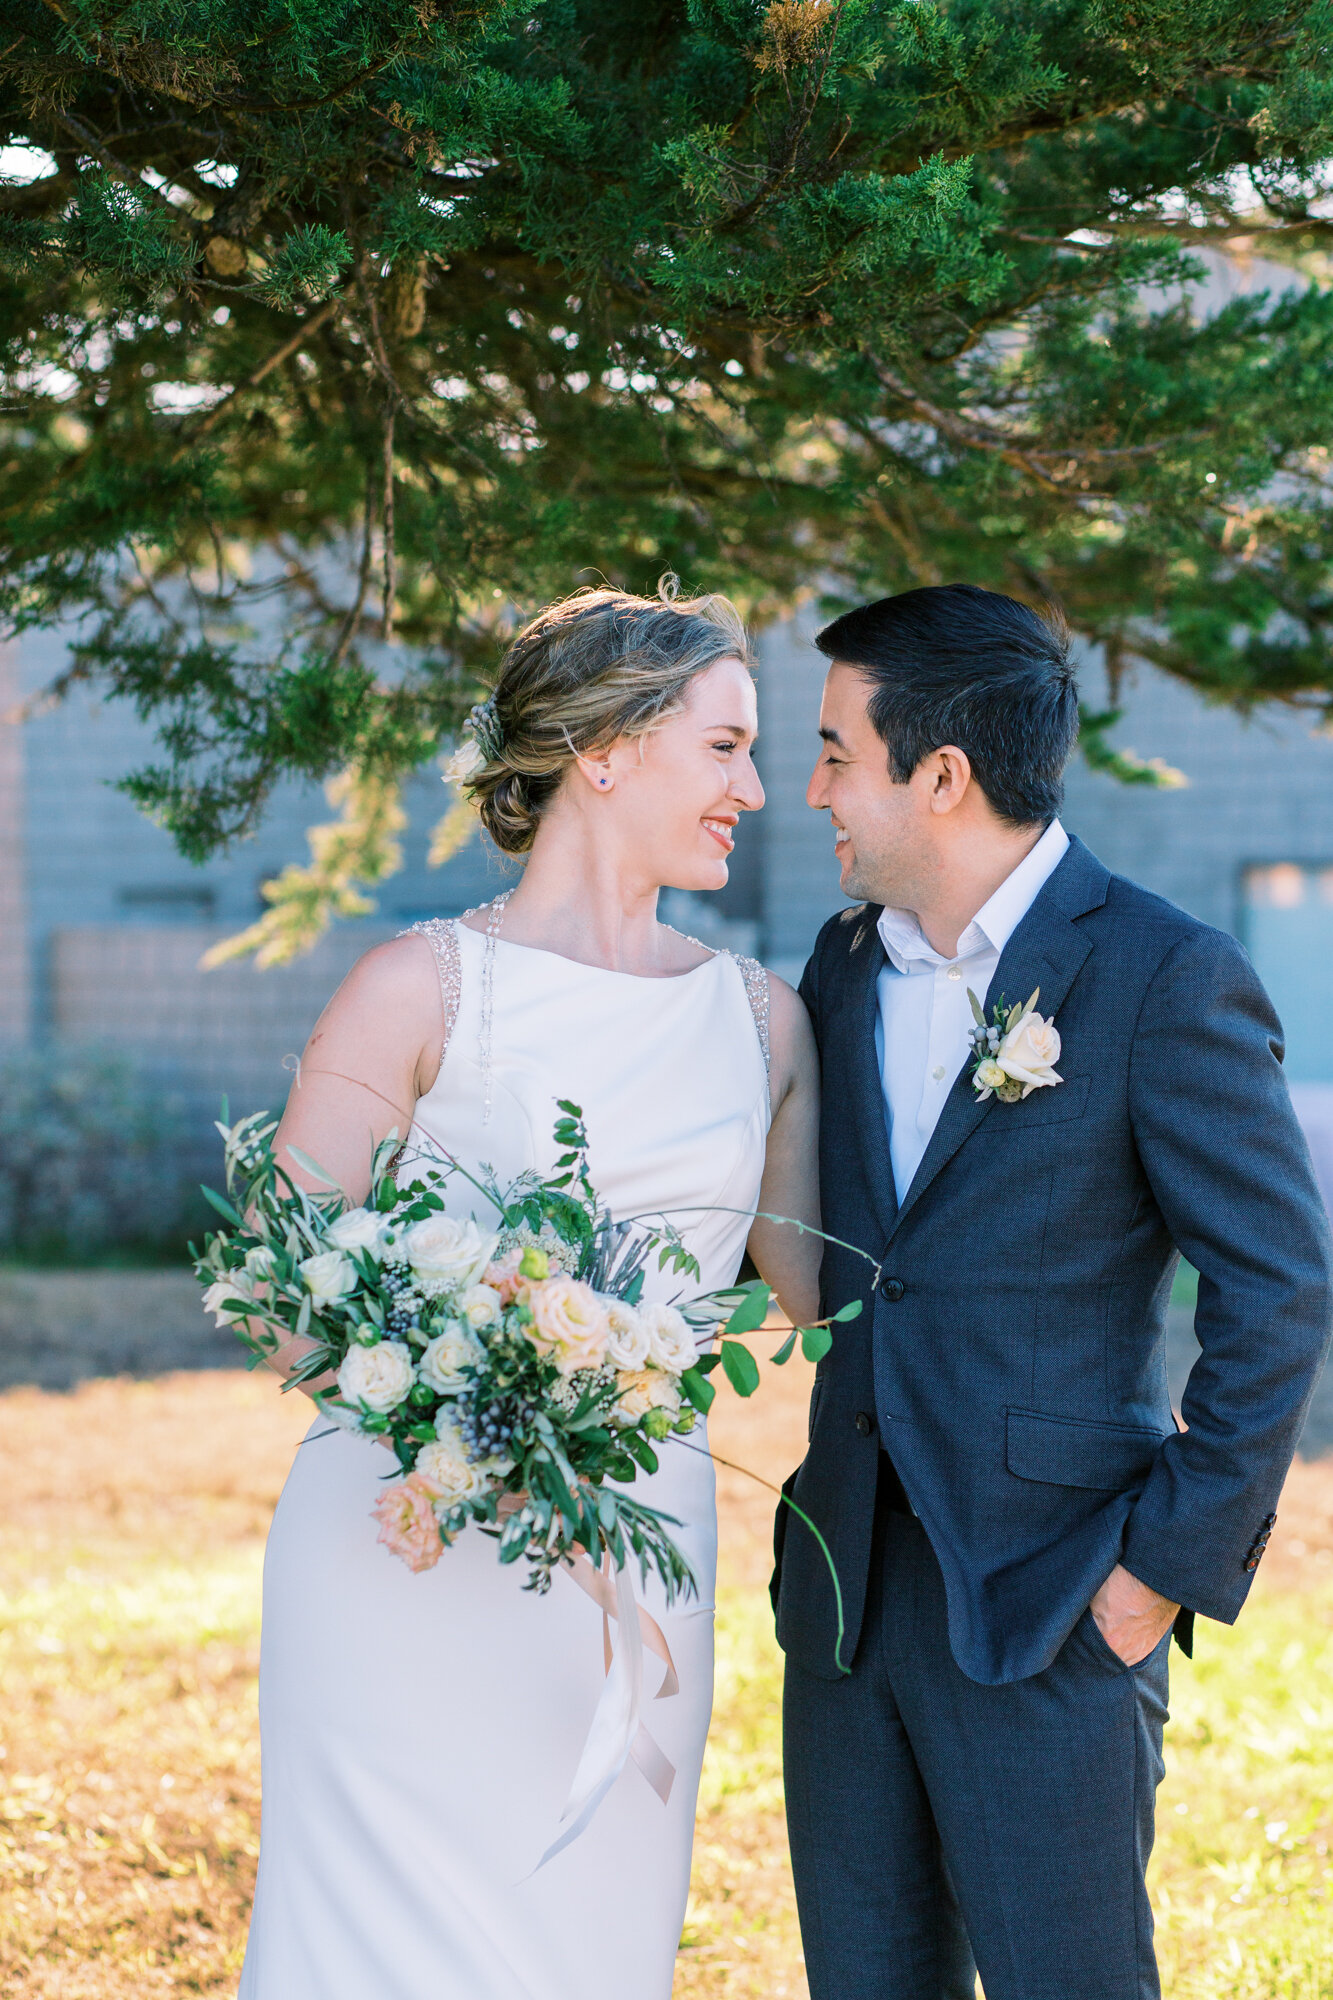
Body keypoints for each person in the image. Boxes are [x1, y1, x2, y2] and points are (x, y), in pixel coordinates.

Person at [237, 584, 821, 2000]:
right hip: (404, 1543)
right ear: (607, 750)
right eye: (727, 746)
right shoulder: (418, 987)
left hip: (634, 1551)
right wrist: (476, 1419)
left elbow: (815, 1296)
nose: (756, 788)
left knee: (591, 1934)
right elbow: (282, 1292)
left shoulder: (761, 1018)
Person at [774, 583, 1333, 2000]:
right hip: (844, 1595)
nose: (812, 788)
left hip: (1054, 1595)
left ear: (941, 775)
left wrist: (1154, 1577)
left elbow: (1273, 1292)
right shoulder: (838, 971)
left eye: (837, 752)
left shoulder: (1163, 976)